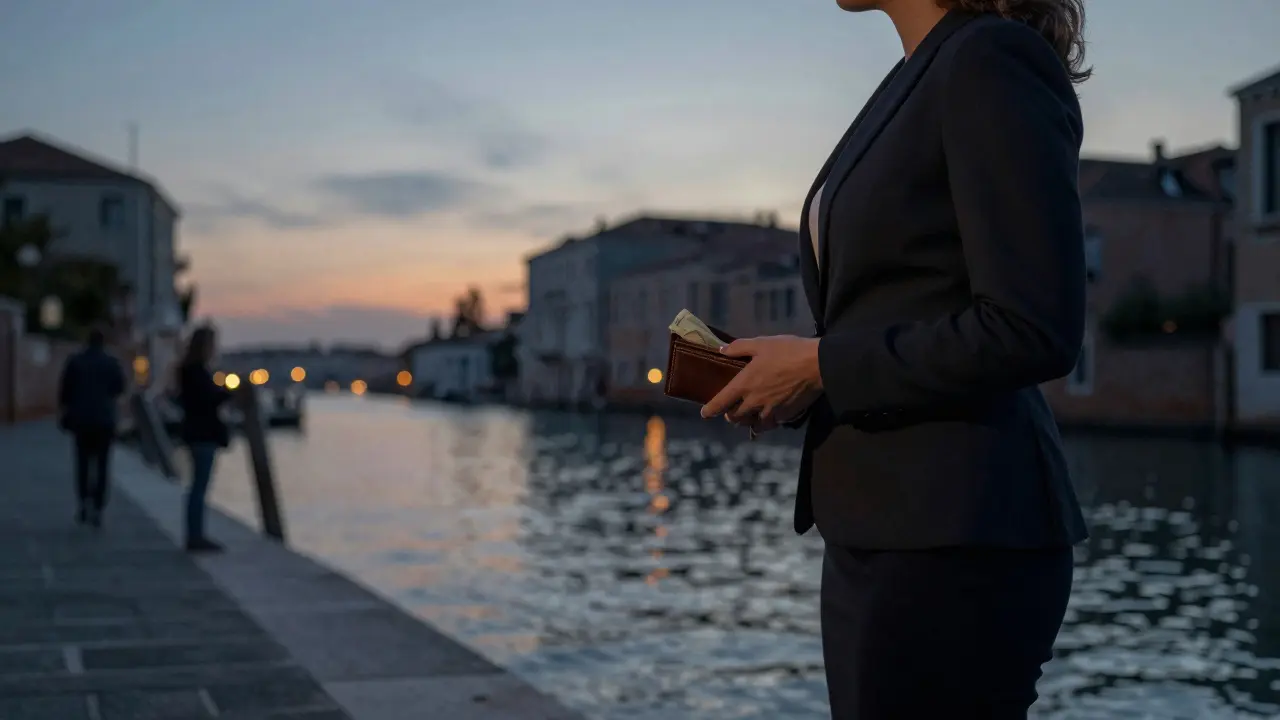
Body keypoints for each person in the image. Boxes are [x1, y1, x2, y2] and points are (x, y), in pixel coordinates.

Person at [699, 0, 1090, 716]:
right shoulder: (920, 74)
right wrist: (791, 379)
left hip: (956, 533)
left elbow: (1034, 325)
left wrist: (821, 366)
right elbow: (893, 309)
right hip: (883, 525)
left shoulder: (988, 60)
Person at [58, 328, 126, 527]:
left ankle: (82, 503)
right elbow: (120, 387)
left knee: (82, 463)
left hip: (81, 421)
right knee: (103, 464)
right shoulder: (111, 362)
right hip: (104, 421)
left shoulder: (75, 361)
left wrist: (67, 411)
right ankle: (98, 506)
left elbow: (64, 391)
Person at [177, 326, 233, 553]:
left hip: (195, 434)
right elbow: (206, 401)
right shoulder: (197, 372)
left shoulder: (189, 371)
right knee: (199, 487)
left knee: (197, 486)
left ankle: (195, 534)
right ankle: (196, 536)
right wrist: (227, 393)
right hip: (202, 436)